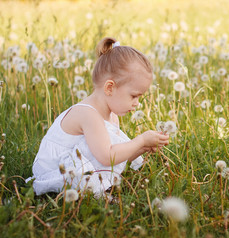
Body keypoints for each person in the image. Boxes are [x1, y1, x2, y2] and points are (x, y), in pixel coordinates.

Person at [26, 37, 169, 197]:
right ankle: (93, 196)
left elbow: (115, 157)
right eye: (134, 96)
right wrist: (140, 140)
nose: (137, 103)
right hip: (57, 170)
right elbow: (107, 157)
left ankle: (96, 191)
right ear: (109, 88)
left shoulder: (111, 115)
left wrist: (141, 148)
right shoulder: (88, 114)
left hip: (78, 165)